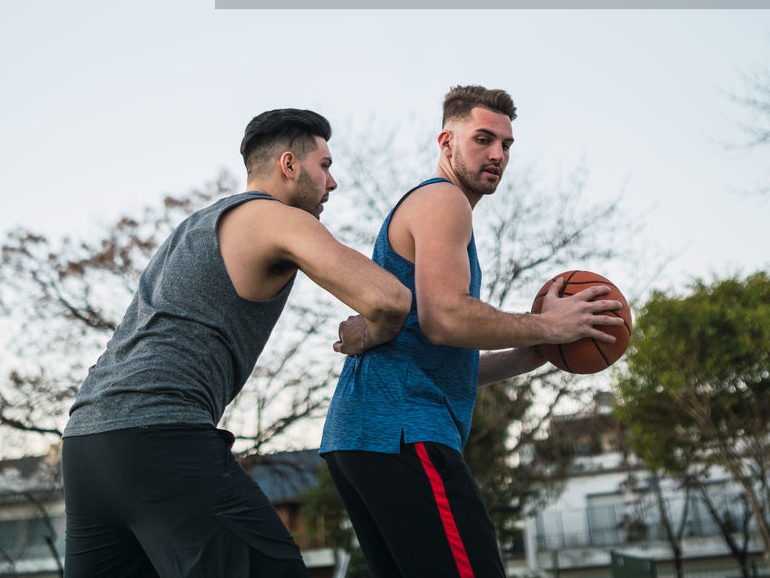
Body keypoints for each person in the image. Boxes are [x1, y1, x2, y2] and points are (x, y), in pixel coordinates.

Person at [62, 108, 411, 578]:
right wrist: (367, 334)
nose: (332, 183)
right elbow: (389, 300)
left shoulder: (195, 226)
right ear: (289, 165)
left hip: (87, 444)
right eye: (325, 166)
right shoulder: (274, 217)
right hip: (160, 437)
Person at [320, 85, 624, 578]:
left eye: (506, 145)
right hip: (402, 431)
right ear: (447, 143)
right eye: (483, 139)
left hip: (362, 436)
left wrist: (538, 351)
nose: (498, 154)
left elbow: (441, 359)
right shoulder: (444, 201)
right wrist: (548, 322)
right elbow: (445, 320)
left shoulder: (441, 213)